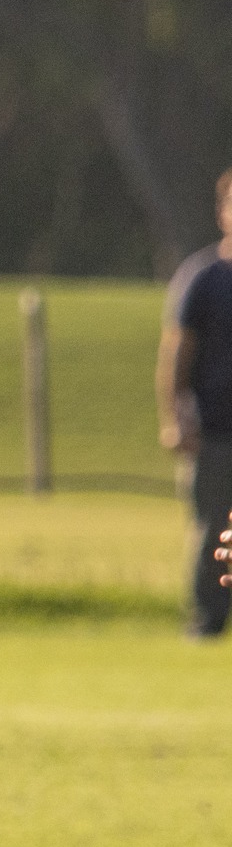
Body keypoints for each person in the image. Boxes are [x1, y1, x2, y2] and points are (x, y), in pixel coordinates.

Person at [156, 169, 232, 640]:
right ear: (224, 212)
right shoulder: (203, 279)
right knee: (213, 528)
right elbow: (176, 355)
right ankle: (210, 618)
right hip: (216, 430)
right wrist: (174, 417)